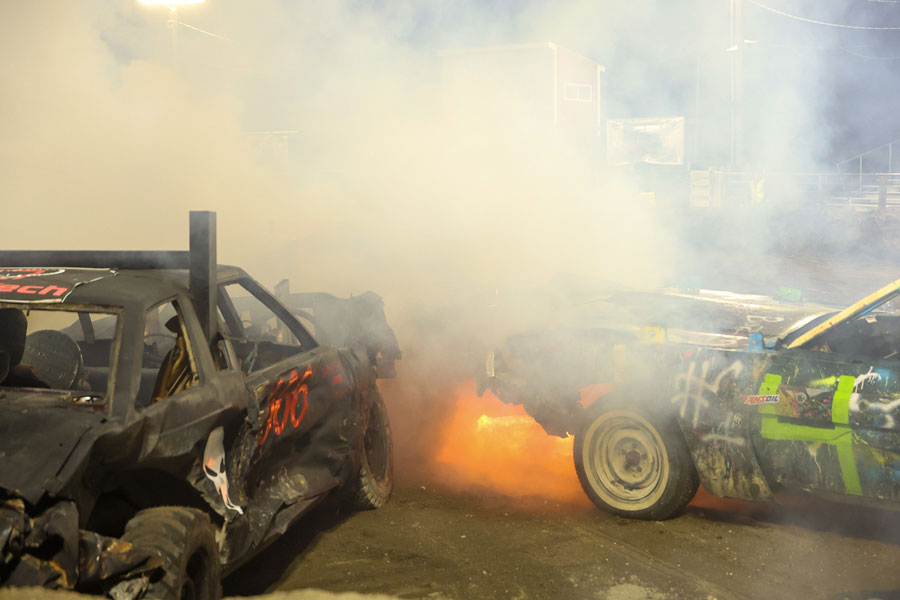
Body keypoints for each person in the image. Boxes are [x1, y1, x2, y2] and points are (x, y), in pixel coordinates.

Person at [0, 308, 48, 388]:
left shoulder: (31, 385)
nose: (18, 345)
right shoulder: (33, 386)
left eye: (21, 337)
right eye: (11, 336)